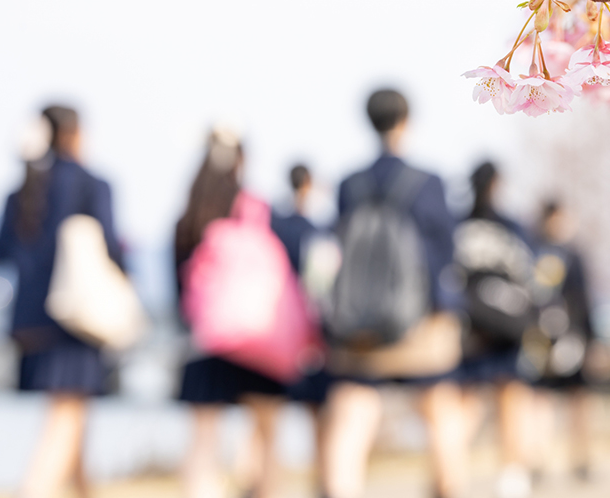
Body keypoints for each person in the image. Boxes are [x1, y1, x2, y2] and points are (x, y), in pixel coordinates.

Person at [0, 105, 122, 498]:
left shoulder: (22, 192)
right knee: (66, 418)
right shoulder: (91, 185)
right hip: (76, 322)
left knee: (71, 422)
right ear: (75, 134)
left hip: (29, 325)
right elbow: (113, 251)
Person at [322, 89, 467, 498]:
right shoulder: (429, 182)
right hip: (422, 318)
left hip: (360, 319)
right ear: (406, 120)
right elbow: (445, 251)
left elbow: (337, 248)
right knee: (440, 409)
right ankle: (447, 488)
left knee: (354, 408)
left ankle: (341, 488)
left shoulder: (350, 184)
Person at [174, 127, 285, 498]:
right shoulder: (258, 210)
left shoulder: (188, 218)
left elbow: (179, 287)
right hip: (257, 337)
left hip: (205, 340)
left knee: (203, 439)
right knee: (267, 430)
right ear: (241, 160)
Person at [455, 161, 537, 498]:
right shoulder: (510, 226)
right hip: (506, 324)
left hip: (469, 324)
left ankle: (451, 468)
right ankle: (511, 474)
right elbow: (528, 273)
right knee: (510, 398)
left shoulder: (458, 225)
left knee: (466, 400)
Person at [270, 164, 331, 496]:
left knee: (266, 416)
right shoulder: (314, 230)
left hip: (271, 331)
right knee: (317, 413)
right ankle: (323, 480)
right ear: (308, 184)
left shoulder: (273, 225)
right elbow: (320, 286)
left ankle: (263, 482)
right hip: (307, 333)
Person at [531, 201, 594, 482]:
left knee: (572, 400)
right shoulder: (566, 253)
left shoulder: (532, 249)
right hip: (555, 337)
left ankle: (578, 458)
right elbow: (583, 298)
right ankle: (540, 459)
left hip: (558, 336)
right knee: (546, 400)